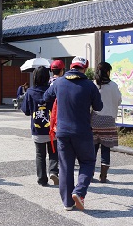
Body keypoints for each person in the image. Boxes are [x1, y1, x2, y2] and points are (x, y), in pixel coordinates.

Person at [43, 56, 103, 211]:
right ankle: (79, 192)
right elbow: (99, 106)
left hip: (62, 132)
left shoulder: (59, 82)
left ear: (71, 67)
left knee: (65, 166)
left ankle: (68, 203)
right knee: (88, 162)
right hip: (82, 131)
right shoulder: (89, 85)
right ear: (85, 68)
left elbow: (46, 97)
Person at [21, 66, 59, 187]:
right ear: (48, 77)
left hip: (37, 129)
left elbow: (26, 111)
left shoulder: (30, 92)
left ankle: (42, 179)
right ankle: (53, 171)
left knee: (40, 154)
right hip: (52, 128)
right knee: (53, 152)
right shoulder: (52, 90)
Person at [91, 62, 122, 183]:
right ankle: (103, 176)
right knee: (106, 149)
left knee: (92, 149)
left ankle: (90, 174)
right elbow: (118, 100)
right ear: (108, 72)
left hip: (94, 120)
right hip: (109, 121)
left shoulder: (93, 85)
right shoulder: (113, 86)